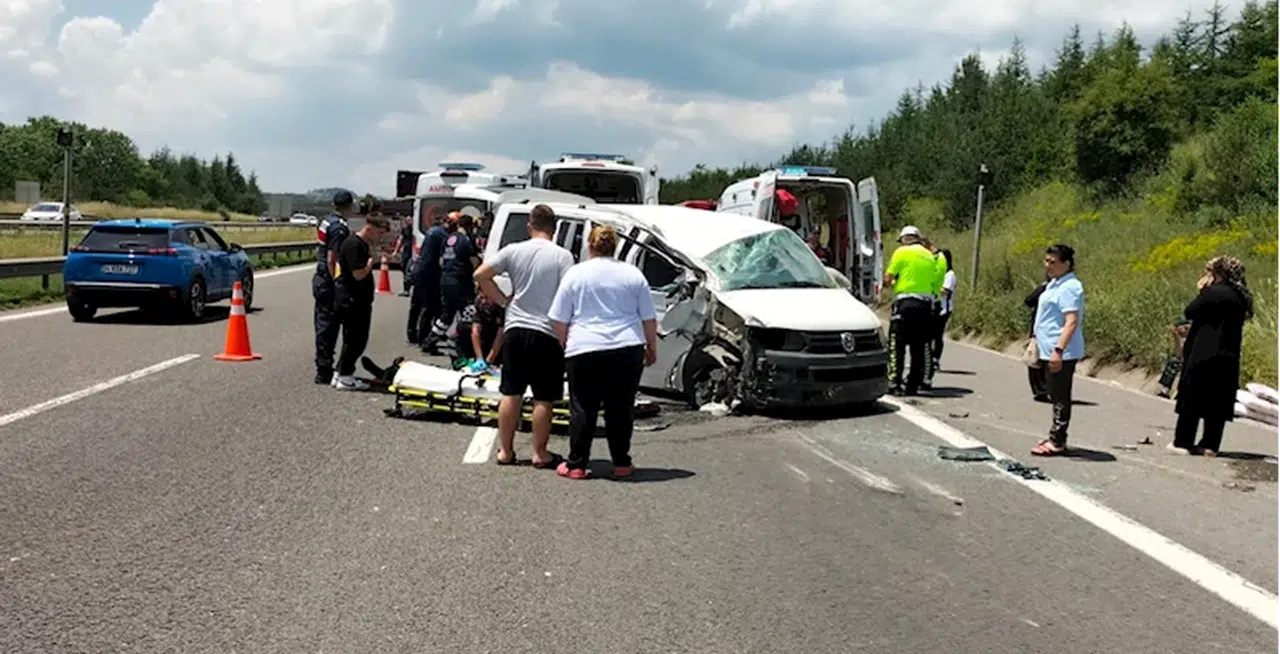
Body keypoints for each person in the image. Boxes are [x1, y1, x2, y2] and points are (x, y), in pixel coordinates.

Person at [548, 224, 658, 480]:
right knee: (620, 407)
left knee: (583, 407)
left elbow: (558, 318)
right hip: (626, 347)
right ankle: (621, 462)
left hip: (584, 347)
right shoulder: (633, 275)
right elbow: (648, 317)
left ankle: (576, 464)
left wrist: (566, 342)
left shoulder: (576, 274)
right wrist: (651, 346)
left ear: (590, 245)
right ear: (616, 247)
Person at [473, 204, 575, 468]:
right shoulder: (563, 257)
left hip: (516, 328)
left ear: (530, 225)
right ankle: (540, 453)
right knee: (544, 396)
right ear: (554, 229)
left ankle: (505, 451)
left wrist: (504, 301)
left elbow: (481, 275)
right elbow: (568, 294)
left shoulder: (514, 250)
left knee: (511, 392)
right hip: (547, 331)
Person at [1168, 256, 1253, 456]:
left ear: (1220, 274)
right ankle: (1210, 445)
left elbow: (1190, 311)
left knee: (1191, 396)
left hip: (1203, 351)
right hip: (1228, 354)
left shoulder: (1213, 293)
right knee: (1218, 399)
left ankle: (1183, 442)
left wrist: (1202, 292)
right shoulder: (1241, 297)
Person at [1030, 244, 1085, 457]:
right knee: (1052, 393)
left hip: (1062, 350)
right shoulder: (1055, 284)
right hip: (1047, 347)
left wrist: (1058, 350)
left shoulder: (1070, 287)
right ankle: (1054, 434)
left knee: (1060, 395)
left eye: (1053, 262)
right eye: (1046, 261)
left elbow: (1071, 322)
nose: (1048, 265)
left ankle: (1058, 440)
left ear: (1067, 264)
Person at [881, 225, 943, 395]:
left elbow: (888, 278)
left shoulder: (901, 252)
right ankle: (913, 384)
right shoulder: (929, 256)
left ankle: (894, 382)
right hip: (925, 305)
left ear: (904, 239)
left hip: (905, 302)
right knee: (919, 346)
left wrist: (890, 284)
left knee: (896, 344)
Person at [332, 215, 390, 391]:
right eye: (379, 233)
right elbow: (358, 274)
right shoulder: (354, 245)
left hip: (356, 299)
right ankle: (346, 376)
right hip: (353, 300)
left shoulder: (360, 244)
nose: (380, 237)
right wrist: (370, 263)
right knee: (356, 340)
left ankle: (340, 372)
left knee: (351, 339)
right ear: (369, 228)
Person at [421, 212, 481, 353]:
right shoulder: (466, 241)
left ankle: (430, 341)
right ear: (469, 227)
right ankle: (462, 344)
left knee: (447, 315)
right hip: (461, 282)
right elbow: (475, 263)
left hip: (446, 280)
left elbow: (441, 261)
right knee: (469, 313)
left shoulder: (448, 239)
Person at [312, 190, 354, 385]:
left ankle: (324, 365)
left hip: (320, 277)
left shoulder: (326, 220)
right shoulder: (339, 227)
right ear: (349, 206)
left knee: (323, 323)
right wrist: (337, 282)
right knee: (328, 326)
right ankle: (324, 369)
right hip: (328, 280)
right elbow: (332, 259)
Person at [408, 211, 447, 346]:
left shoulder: (432, 232)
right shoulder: (442, 234)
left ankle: (412, 332)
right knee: (430, 307)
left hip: (419, 270)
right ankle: (424, 337)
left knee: (416, 304)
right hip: (430, 273)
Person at [454, 286, 505, 371]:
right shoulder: (477, 305)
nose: (484, 301)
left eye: (487, 298)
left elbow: (500, 337)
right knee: (463, 327)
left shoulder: (502, 308)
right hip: (483, 333)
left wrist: (489, 361)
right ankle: (466, 359)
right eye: (481, 297)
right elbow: (475, 332)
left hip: (497, 336)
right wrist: (479, 358)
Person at [1024, 277, 1050, 402]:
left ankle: (1040, 389)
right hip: (1052, 331)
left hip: (1039, 330)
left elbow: (1029, 301)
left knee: (1035, 359)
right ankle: (1045, 388)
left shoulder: (1045, 288)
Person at [932, 249, 957, 370]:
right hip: (934, 307)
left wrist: (932, 287)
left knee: (937, 334)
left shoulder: (950, 275)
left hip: (944, 309)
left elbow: (945, 291)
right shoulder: (938, 273)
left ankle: (936, 358)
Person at [1156, 318, 1191, 398]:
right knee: (1172, 363)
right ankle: (1166, 389)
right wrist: (1177, 338)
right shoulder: (1182, 338)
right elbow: (1179, 354)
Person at [394, 215, 414, 296]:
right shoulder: (404, 229)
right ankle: (406, 289)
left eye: (410, 220)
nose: (409, 222)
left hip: (413, 252)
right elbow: (400, 240)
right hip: (406, 252)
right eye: (407, 220)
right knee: (404, 268)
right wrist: (396, 251)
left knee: (408, 270)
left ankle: (407, 290)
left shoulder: (415, 230)